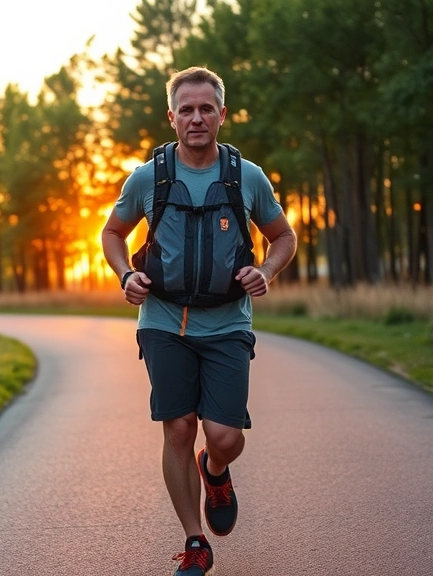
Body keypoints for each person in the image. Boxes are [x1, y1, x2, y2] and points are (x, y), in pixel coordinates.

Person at [100, 66, 297, 576]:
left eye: (206, 108)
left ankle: (216, 471)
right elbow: (112, 234)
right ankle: (195, 541)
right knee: (179, 428)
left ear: (222, 115)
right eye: (186, 109)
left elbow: (284, 238)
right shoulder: (148, 177)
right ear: (171, 117)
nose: (196, 118)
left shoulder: (245, 177)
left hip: (228, 323)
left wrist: (266, 271)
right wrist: (126, 276)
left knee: (224, 435)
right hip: (163, 322)